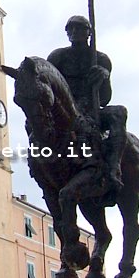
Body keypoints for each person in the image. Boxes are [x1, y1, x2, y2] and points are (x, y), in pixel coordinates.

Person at [47, 15, 127, 202]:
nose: (75, 33)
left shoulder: (100, 59)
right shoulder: (58, 57)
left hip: (92, 110)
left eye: (80, 28)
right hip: (66, 111)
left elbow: (105, 99)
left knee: (119, 112)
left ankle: (114, 166)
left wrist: (104, 77)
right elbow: (49, 88)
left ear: (89, 32)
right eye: (71, 29)